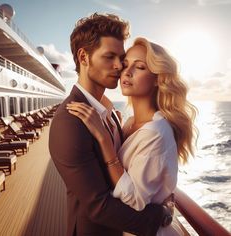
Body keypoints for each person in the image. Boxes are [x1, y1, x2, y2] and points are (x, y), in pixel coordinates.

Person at [49, 14, 172, 236]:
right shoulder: (69, 122)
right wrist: (161, 214)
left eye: (121, 58)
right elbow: (98, 206)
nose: (119, 66)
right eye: (109, 57)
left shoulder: (110, 114)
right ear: (84, 57)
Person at [66, 37, 198, 235]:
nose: (127, 72)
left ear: (157, 79)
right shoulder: (128, 123)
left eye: (140, 67)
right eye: (125, 65)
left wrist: (104, 140)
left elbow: (135, 199)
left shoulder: (156, 132)